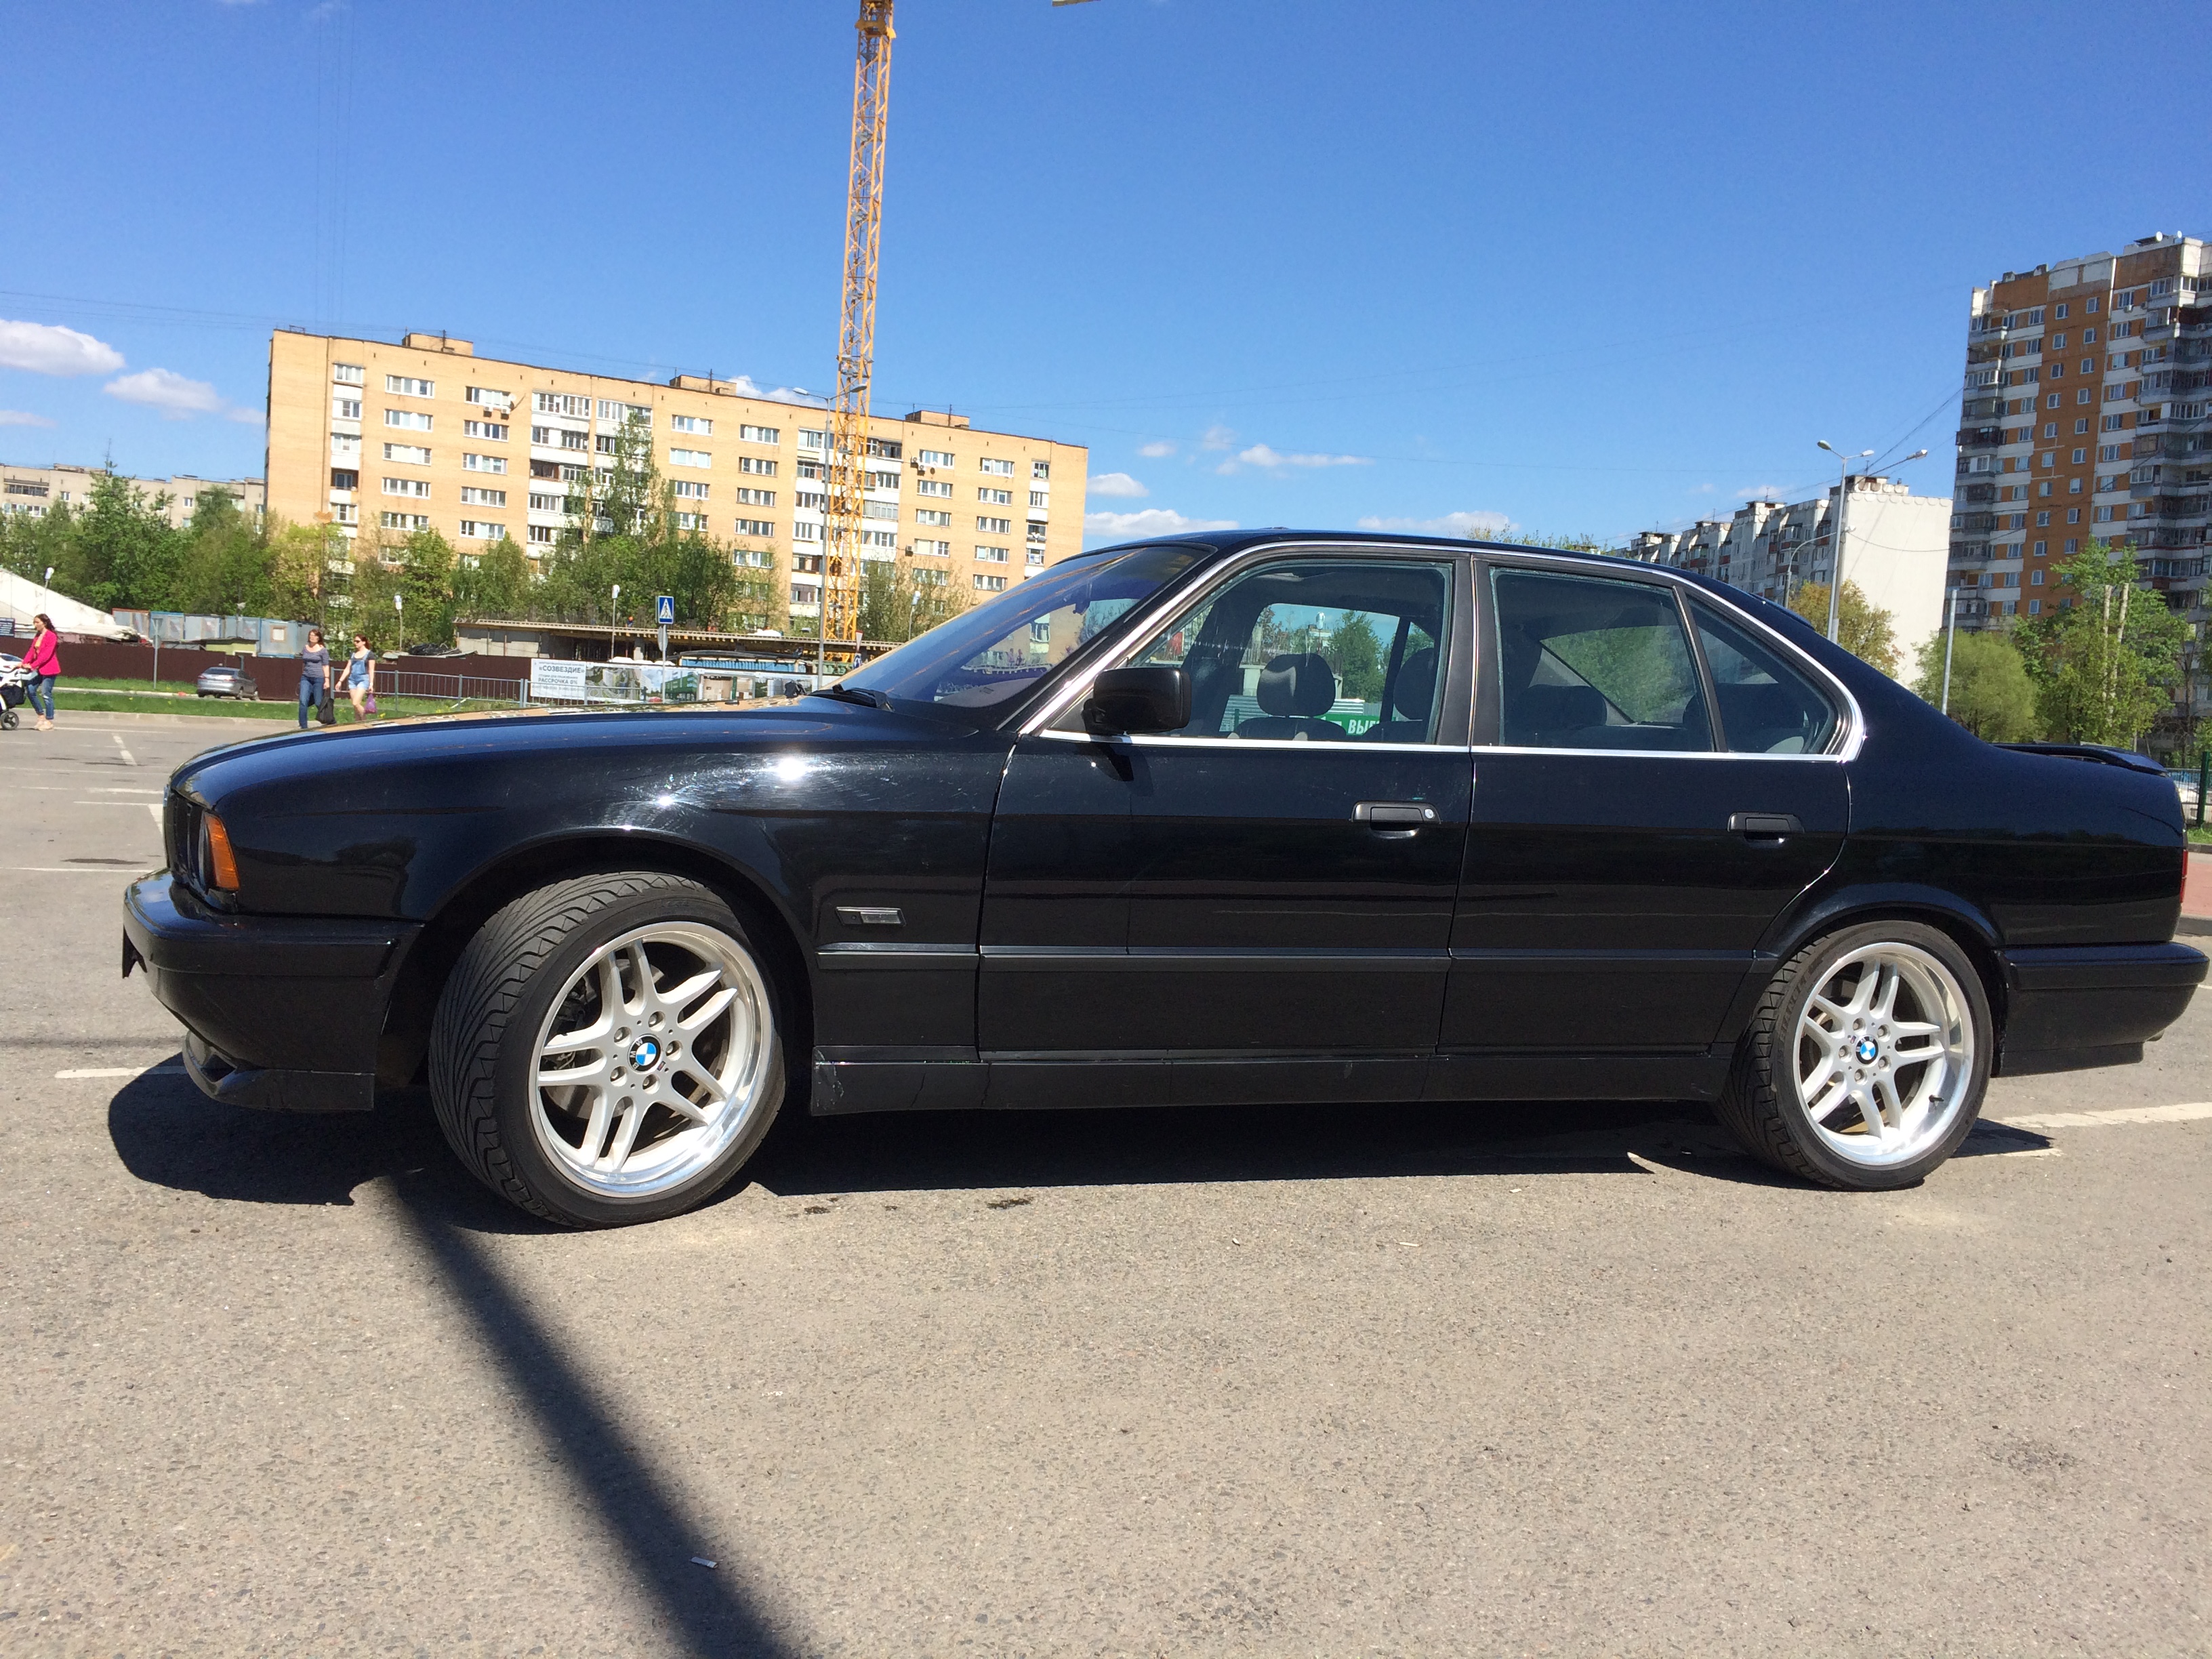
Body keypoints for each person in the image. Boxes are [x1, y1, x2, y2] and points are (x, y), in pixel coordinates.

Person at [22, 612, 60, 731]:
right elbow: (31, 651)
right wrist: (24, 663)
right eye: (34, 622)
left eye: (37, 622)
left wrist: (33, 666)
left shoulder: (51, 636)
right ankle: (41, 716)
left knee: (46, 694)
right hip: (40, 669)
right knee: (30, 689)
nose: (35, 625)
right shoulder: (38, 636)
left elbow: (46, 655)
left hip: (50, 669)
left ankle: (49, 721)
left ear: (44, 623)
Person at [298, 628, 329, 729]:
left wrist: (327, 680)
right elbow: (304, 663)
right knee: (303, 701)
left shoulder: (323, 650)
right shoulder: (305, 648)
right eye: (311, 635)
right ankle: (303, 726)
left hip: (318, 678)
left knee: (318, 702)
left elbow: (325, 665)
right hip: (306, 678)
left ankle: (330, 720)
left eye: (315, 636)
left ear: (319, 638)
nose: (312, 637)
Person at [345, 632, 375, 718]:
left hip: (363, 679)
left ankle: (366, 721)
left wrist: (371, 684)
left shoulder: (370, 654)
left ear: (364, 642)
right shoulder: (353, 654)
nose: (355, 643)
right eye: (354, 641)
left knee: (356, 703)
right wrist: (340, 681)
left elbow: (371, 670)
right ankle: (358, 724)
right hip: (352, 680)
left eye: (358, 641)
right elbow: (347, 668)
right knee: (355, 707)